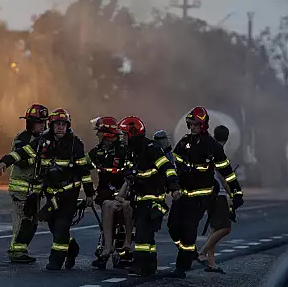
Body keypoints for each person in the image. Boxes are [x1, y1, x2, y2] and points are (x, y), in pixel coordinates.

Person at [0, 108, 94, 270]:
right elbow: (22, 152)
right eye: (57, 124)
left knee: (62, 225)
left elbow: (84, 171)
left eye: (63, 124)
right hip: (51, 194)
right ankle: (72, 249)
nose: (60, 127)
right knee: (54, 226)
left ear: (68, 126)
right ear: (52, 125)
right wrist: (4, 162)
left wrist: (90, 194)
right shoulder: (42, 141)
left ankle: (55, 261)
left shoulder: (74, 143)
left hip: (69, 193)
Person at [168, 107, 244, 278]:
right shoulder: (184, 142)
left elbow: (227, 172)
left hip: (200, 196)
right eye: (190, 124)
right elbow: (172, 166)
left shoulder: (213, 146)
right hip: (182, 193)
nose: (192, 127)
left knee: (188, 229)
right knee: (173, 227)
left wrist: (237, 192)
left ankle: (182, 267)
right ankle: (190, 252)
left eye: (195, 124)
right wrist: (173, 187)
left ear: (203, 125)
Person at [118, 116, 182, 276]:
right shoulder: (131, 152)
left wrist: (174, 187)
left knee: (142, 233)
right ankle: (150, 264)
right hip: (139, 198)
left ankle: (139, 264)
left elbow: (167, 168)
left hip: (153, 198)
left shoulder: (151, 148)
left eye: (124, 134)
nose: (122, 138)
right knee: (147, 235)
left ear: (132, 133)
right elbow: (129, 170)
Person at [0, 104, 49, 264]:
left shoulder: (44, 140)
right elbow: (21, 160)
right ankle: (16, 251)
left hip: (34, 191)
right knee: (22, 222)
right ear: (29, 123)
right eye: (38, 122)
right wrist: (38, 158)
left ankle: (21, 249)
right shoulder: (23, 138)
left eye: (43, 122)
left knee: (31, 223)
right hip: (21, 189)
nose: (42, 125)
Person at [87, 117, 134, 269]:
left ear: (107, 133)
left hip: (125, 193)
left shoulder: (124, 151)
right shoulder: (98, 152)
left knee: (126, 206)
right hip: (106, 193)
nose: (97, 135)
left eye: (99, 132)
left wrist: (122, 194)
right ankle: (107, 248)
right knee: (107, 205)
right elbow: (83, 165)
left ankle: (126, 245)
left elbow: (130, 176)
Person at [196, 125, 240, 274]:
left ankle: (211, 263)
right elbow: (223, 176)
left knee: (214, 228)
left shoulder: (207, 149)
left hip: (208, 193)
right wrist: (232, 193)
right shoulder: (219, 152)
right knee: (225, 228)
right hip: (218, 194)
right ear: (226, 139)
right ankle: (201, 253)